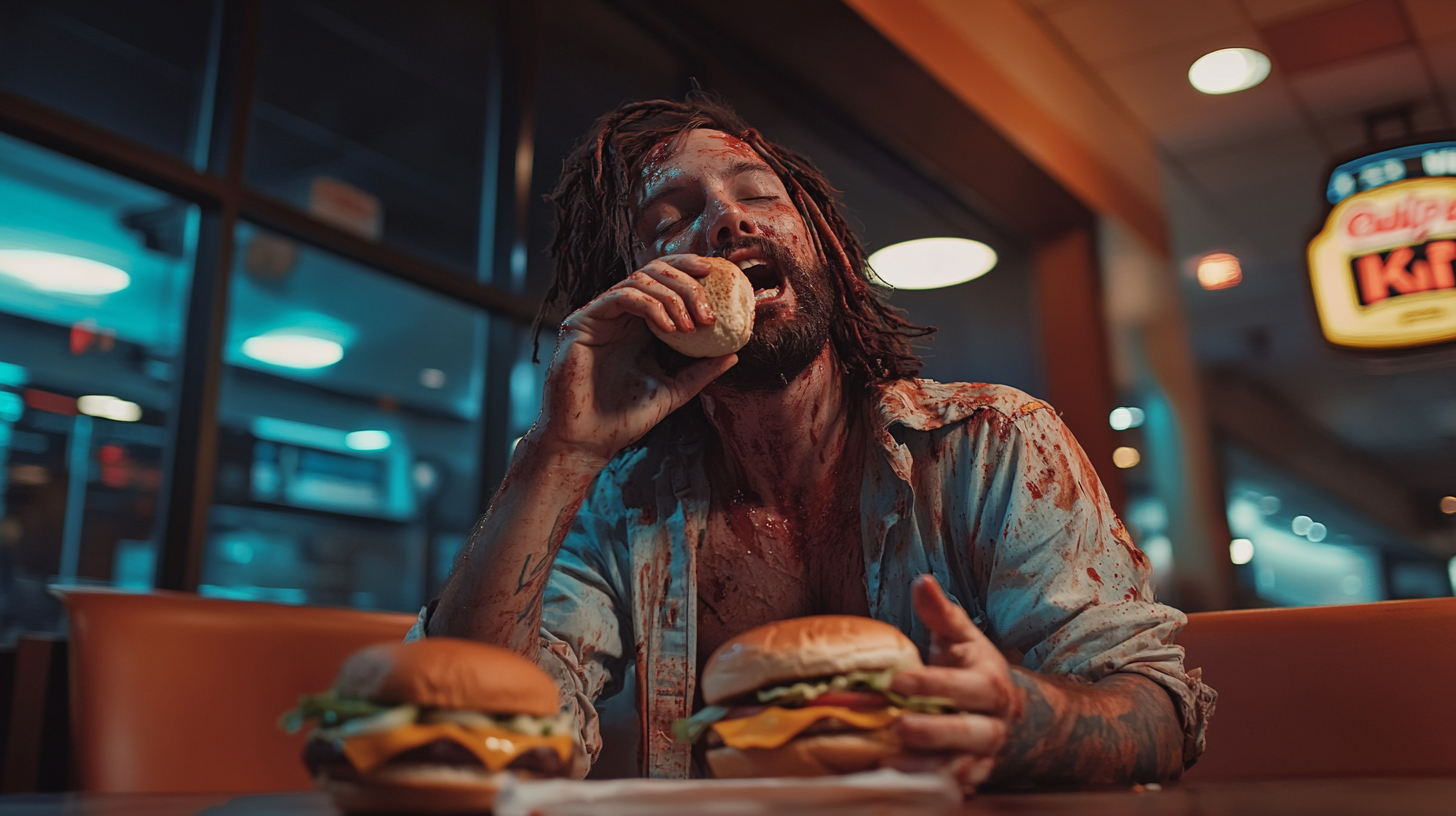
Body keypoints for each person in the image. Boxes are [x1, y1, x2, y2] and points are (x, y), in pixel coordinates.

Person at [414, 95, 1215, 788]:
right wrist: (560, 453)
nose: (727, 218)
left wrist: (1020, 718)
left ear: (823, 244)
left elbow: (1155, 710)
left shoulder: (994, 443)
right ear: (633, 296)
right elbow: (482, 730)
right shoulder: (622, 502)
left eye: (758, 193)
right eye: (671, 219)